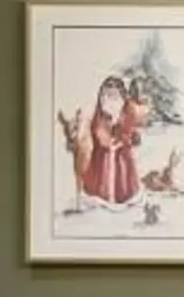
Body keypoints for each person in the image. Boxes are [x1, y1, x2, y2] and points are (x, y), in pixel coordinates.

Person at [60, 73, 147, 208]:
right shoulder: (97, 120)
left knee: (123, 181)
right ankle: (100, 197)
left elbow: (130, 133)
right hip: (100, 165)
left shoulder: (126, 118)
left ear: (122, 100)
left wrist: (127, 139)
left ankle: (124, 197)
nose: (108, 101)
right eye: (104, 96)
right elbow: (92, 137)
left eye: (113, 97)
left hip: (122, 163)